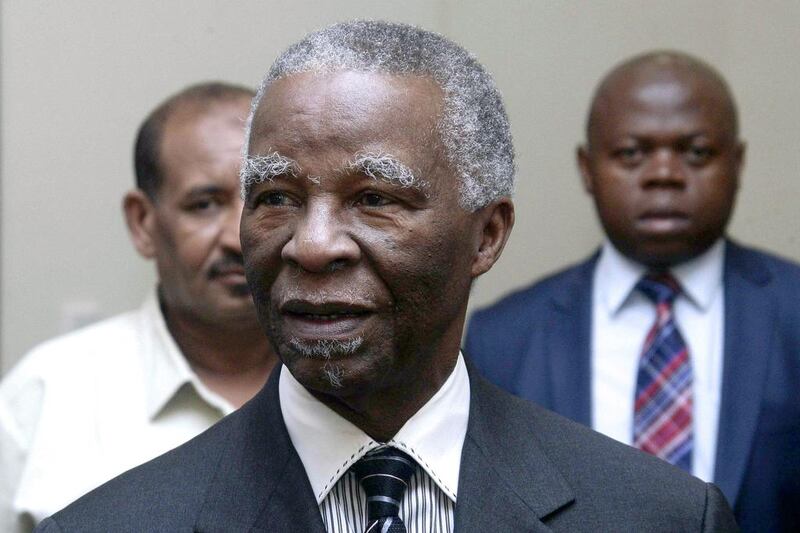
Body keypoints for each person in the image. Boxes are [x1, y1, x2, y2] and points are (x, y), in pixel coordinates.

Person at [36, 24, 737, 532]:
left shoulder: (658, 516)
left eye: (375, 198)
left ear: (486, 234)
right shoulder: (110, 525)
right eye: (276, 197)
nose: (310, 247)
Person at [466, 51, 800, 532]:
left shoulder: (791, 312)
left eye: (697, 152)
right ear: (586, 167)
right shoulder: (505, 336)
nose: (663, 173)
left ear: (739, 162)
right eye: (631, 153)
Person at [0, 82, 277, 531]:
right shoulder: (41, 400)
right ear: (143, 222)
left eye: (267, 199)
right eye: (205, 204)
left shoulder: (352, 386)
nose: (238, 236)